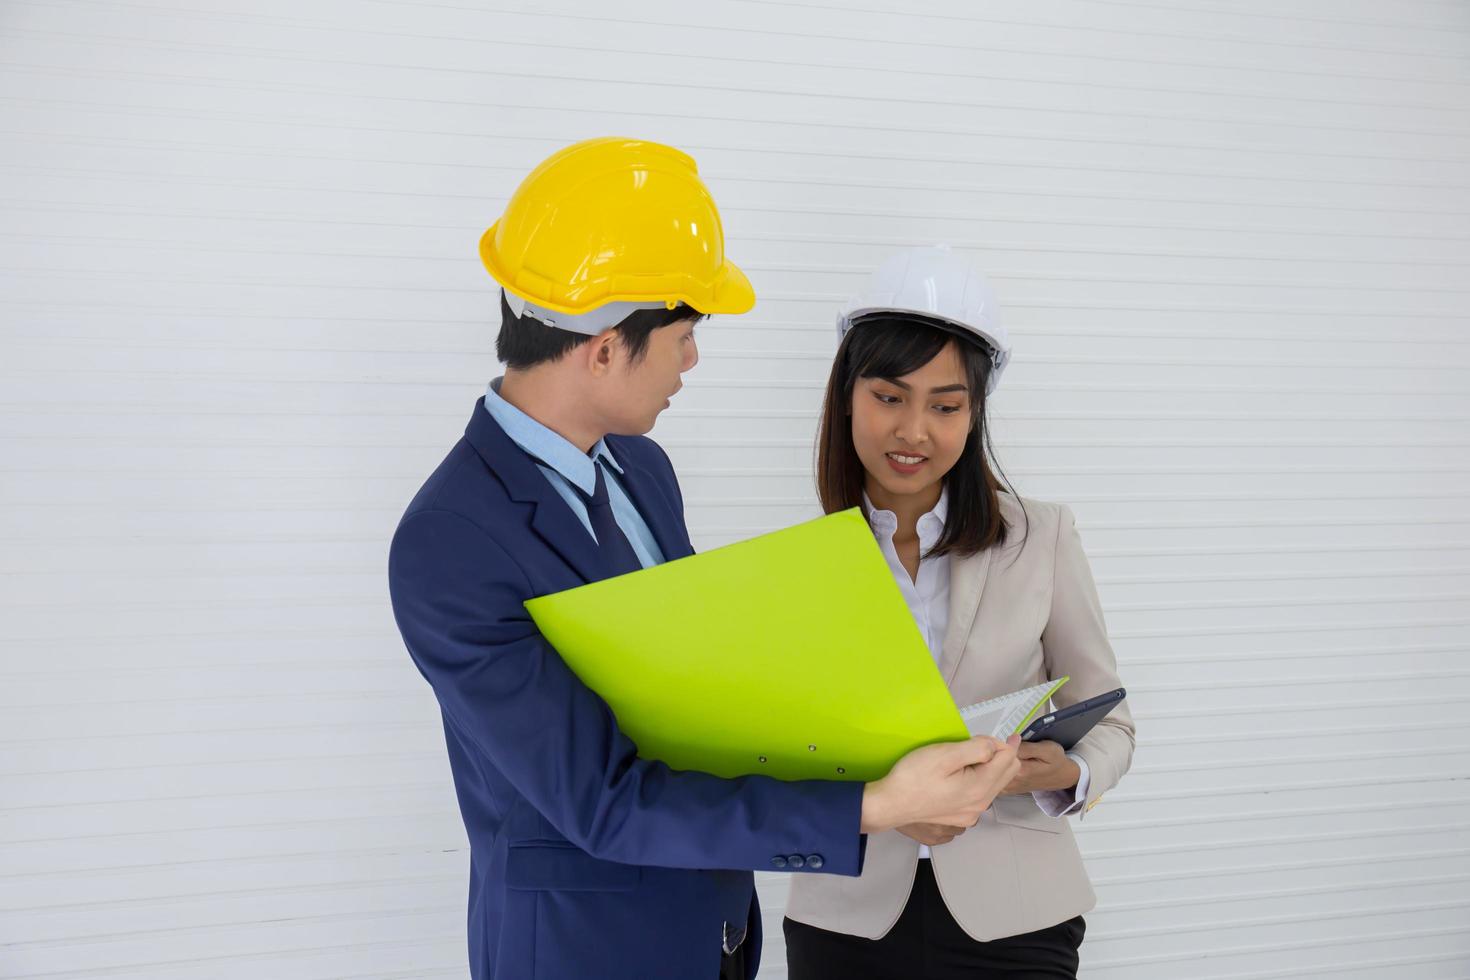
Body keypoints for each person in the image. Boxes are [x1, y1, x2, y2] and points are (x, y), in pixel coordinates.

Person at [387, 141, 1022, 980]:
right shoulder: (449, 541)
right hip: (586, 951)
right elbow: (602, 800)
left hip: (713, 932)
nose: (692, 360)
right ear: (606, 346)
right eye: (684, 335)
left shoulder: (641, 469)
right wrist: (872, 806)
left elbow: (688, 705)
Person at [783, 246, 1137, 980]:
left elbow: (1111, 721)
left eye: (945, 406)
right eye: (889, 397)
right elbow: (776, 753)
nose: (915, 430)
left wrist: (1065, 772)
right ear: (847, 396)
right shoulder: (800, 566)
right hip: (847, 914)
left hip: (1015, 914)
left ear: (974, 415)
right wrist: (873, 799)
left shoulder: (1041, 537)